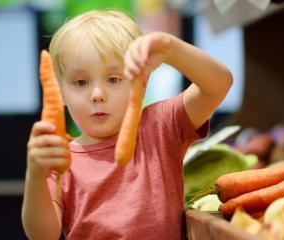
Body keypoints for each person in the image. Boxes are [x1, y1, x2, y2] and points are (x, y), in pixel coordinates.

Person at [21, 10, 232, 240]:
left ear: (141, 84)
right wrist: (35, 176)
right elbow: (42, 235)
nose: (97, 94)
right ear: (62, 92)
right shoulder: (60, 159)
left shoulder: (161, 126)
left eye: (113, 79)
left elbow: (219, 85)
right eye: (81, 82)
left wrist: (172, 50)